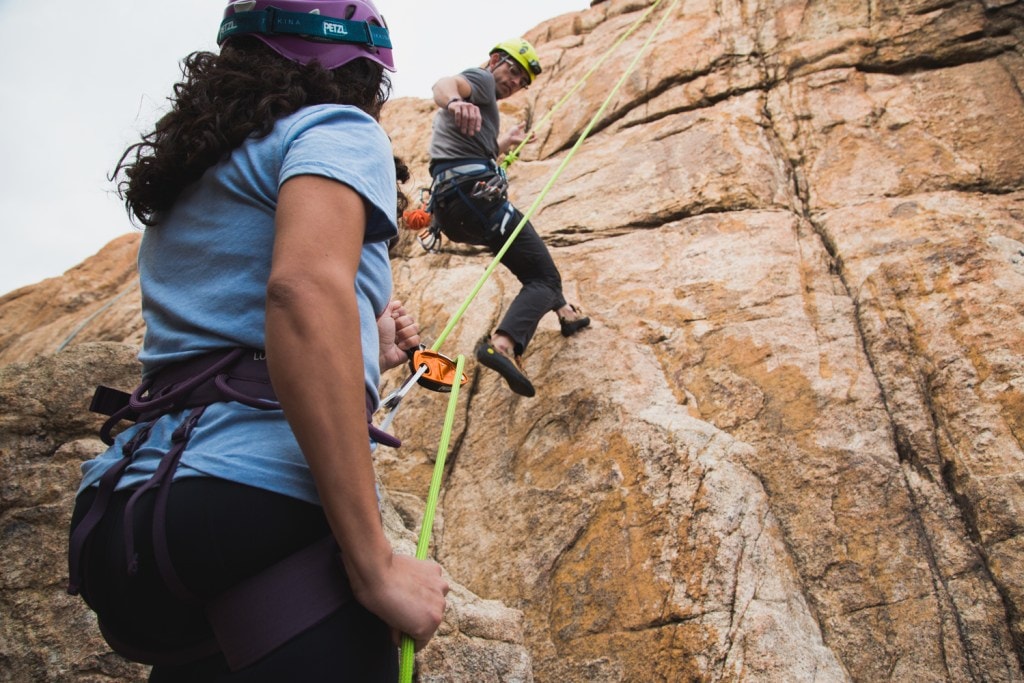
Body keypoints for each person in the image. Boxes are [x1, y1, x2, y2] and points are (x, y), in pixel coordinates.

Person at [66, 1, 448, 680]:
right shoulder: (338, 127)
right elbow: (301, 292)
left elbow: (233, 319)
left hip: (133, 513)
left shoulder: (199, 174)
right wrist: (376, 564)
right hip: (253, 502)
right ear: (360, 71)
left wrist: (371, 341)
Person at [427, 37, 590, 398]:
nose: (514, 82)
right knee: (544, 277)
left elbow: (465, 150)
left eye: (521, 81)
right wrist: (455, 101)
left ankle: (566, 312)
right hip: (476, 201)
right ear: (494, 61)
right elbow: (445, 84)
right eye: (513, 71)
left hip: (456, 211)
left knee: (535, 269)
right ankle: (502, 344)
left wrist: (502, 146)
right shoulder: (481, 82)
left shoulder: (484, 110)